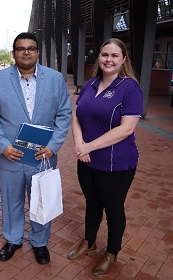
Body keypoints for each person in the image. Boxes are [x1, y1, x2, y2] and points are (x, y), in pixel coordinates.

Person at [0, 32, 72, 265]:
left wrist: (53, 146)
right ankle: (12, 239)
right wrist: (2, 146)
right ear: (14, 53)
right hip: (10, 156)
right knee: (11, 200)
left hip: (43, 156)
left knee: (41, 199)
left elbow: (64, 114)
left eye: (31, 48)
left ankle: (39, 242)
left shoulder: (55, 79)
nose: (26, 52)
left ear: (37, 52)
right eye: (21, 48)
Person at [68, 38, 143, 276]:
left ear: (123, 60)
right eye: (104, 55)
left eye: (114, 56)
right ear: (98, 58)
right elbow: (77, 116)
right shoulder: (90, 84)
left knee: (112, 208)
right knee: (92, 203)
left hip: (115, 162)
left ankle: (111, 251)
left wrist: (88, 147)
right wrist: (79, 145)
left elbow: (126, 128)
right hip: (86, 159)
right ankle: (89, 242)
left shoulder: (130, 87)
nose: (108, 60)